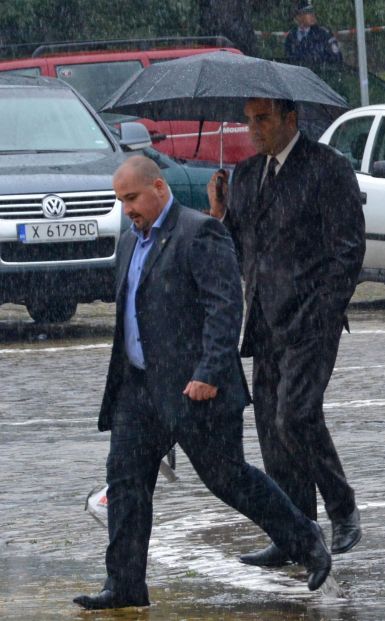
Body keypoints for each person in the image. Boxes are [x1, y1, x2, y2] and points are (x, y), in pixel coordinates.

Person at [74, 157, 331, 611]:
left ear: (158, 187)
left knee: (227, 477)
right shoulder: (130, 242)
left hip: (197, 388)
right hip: (138, 389)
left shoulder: (199, 232)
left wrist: (210, 371)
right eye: (121, 202)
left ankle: (305, 539)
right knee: (127, 483)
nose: (127, 209)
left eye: (132, 198)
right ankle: (125, 584)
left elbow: (224, 306)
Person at [207, 97, 365, 567]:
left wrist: (324, 310)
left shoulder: (326, 168)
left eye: (263, 119)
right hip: (263, 320)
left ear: (290, 119)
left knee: (295, 416)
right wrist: (219, 212)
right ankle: (295, 532)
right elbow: (235, 248)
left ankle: (342, 507)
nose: (253, 129)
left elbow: (349, 249)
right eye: (249, 120)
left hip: (311, 321)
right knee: (272, 434)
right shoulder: (247, 174)